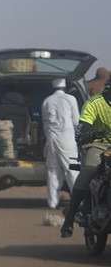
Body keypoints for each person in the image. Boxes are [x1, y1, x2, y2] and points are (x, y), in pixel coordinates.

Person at [60, 79, 111, 238]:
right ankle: (69, 218)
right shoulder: (94, 103)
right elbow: (80, 131)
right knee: (90, 169)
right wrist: (91, 134)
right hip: (98, 145)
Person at [41, 78, 80, 210]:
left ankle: (52, 203)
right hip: (67, 139)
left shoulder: (47, 101)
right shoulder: (71, 99)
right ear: (65, 87)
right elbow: (76, 122)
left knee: (53, 171)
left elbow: (44, 123)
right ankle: (77, 202)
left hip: (51, 139)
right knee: (72, 170)